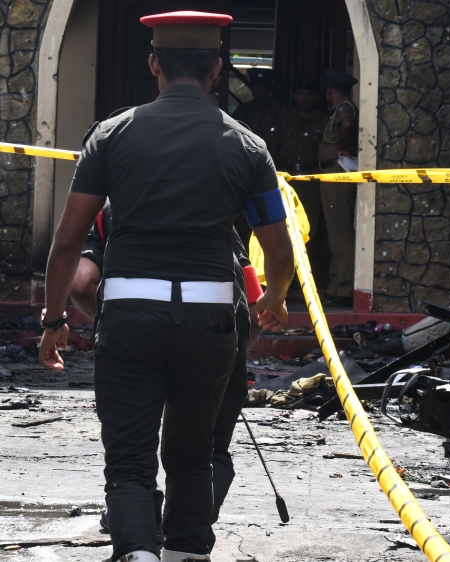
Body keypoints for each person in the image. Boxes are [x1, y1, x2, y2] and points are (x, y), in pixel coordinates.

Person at [37, 11, 295, 562]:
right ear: (217, 70)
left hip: (130, 315)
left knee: (129, 461)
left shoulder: (111, 136)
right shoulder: (248, 147)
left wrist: (54, 321)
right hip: (210, 322)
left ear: (154, 64)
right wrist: (273, 297)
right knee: (192, 456)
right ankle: (186, 553)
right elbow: (278, 248)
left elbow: (66, 243)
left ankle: (138, 552)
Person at [68, 203, 266, 551]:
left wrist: (105, 321)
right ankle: (187, 542)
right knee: (204, 452)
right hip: (214, 330)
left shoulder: (110, 208)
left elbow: (82, 283)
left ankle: (138, 531)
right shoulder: (214, 201)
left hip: (133, 330)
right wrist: (234, 352)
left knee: (131, 458)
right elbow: (253, 300)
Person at [272, 77, 327, 278]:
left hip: (311, 179)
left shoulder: (323, 120)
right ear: (294, 96)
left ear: (316, 97)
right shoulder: (285, 118)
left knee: (309, 226)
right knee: (283, 225)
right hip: (287, 178)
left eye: (309, 94)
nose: (305, 98)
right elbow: (272, 147)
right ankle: (286, 274)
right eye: (300, 94)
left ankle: (305, 275)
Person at [317, 69, 359, 308]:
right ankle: (336, 285)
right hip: (330, 171)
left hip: (337, 170)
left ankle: (344, 287)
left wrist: (342, 146)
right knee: (334, 233)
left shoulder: (344, 107)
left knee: (340, 232)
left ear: (333, 90)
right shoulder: (339, 107)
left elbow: (347, 124)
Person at [231, 68, 282, 154]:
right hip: (245, 156)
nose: (259, 90)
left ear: (270, 87)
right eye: (255, 86)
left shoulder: (280, 110)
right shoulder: (242, 109)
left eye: (263, 86)